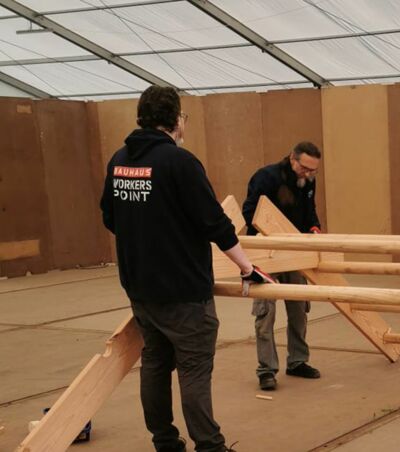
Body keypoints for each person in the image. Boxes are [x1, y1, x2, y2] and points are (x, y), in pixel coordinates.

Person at [100, 85, 271, 452]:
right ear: (176, 119)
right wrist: (246, 267)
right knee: (194, 370)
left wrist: (146, 237)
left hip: (141, 289)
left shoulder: (119, 161)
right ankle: (210, 446)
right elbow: (216, 224)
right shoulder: (179, 162)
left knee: (156, 364)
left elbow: (110, 217)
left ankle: (165, 442)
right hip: (182, 291)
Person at [242, 142, 323, 391]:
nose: (308, 174)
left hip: (295, 253)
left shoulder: (308, 182)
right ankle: (266, 370)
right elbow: (249, 213)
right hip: (265, 253)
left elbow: (310, 212)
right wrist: (273, 233)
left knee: (299, 309)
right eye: (305, 168)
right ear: (292, 159)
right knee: (265, 314)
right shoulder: (265, 177)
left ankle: (298, 361)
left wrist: (314, 229)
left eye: (313, 171)